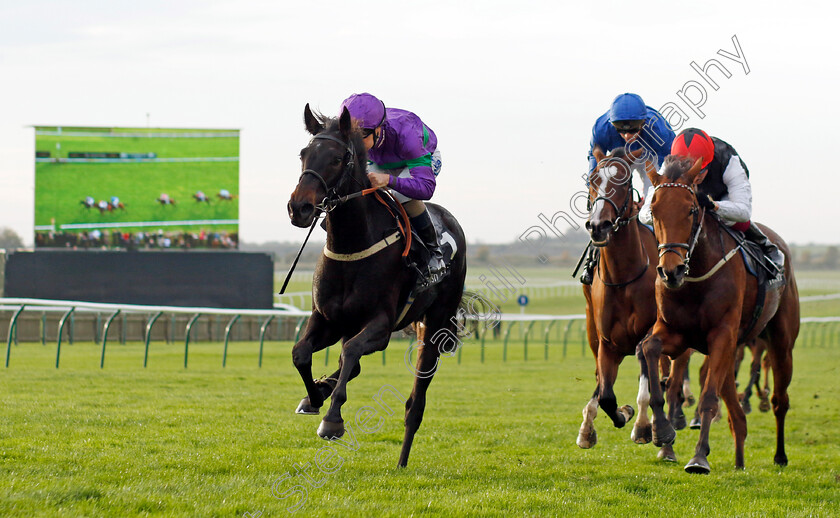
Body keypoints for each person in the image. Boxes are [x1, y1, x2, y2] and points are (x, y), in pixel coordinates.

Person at [639, 128, 784, 274]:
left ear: (709, 162)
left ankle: (768, 248)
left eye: (700, 171)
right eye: (688, 171)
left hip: (722, 196)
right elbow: (643, 214)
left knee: (728, 220)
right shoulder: (668, 168)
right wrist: (661, 212)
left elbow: (744, 211)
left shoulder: (730, 162)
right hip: (687, 202)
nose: (695, 178)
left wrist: (714, 206)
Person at [339, 92, 445, 288]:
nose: (353, 143)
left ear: (378, 129)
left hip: (420, 158)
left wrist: (389, 180)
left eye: (360, 136)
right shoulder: (364, 136)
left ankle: (434, 252)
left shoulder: (408, 135)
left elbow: (426, 188)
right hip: (379, 159)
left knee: (401, 194)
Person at [580, 93, 676, 284]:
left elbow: (667, 167)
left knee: (655, 206)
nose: (627, 135)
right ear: (612, 124)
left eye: (633, 130)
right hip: (619, 159)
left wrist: (649, 200)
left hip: (652, 159)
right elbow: (594, 157)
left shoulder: (659, 129)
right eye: (621, 131)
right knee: (601, 208)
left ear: (643, 122)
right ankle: (591, 260)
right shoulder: (601, 128)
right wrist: (594, 188)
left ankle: (668, 255)